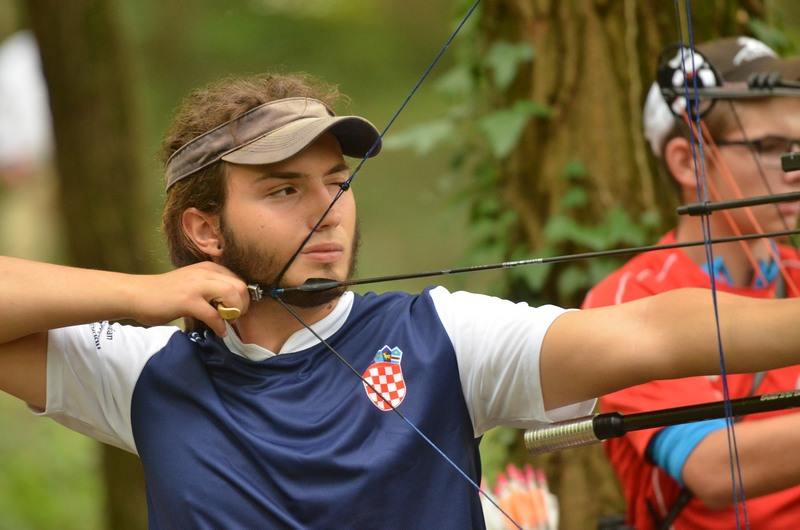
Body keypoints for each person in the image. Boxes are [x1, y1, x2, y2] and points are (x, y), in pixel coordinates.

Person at [1, 73, 800, 529]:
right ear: (204, 228)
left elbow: (656, 330)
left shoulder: (442, 337)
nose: (328, 211)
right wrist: (139, 295)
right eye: (283, 190)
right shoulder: (144, 371)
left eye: (336, 183)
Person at [582, 37, 800, 529]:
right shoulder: (627, 301)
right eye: (769, 148)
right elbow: (715, 466)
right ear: (688, 161)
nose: (794, 170)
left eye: (799, 147)